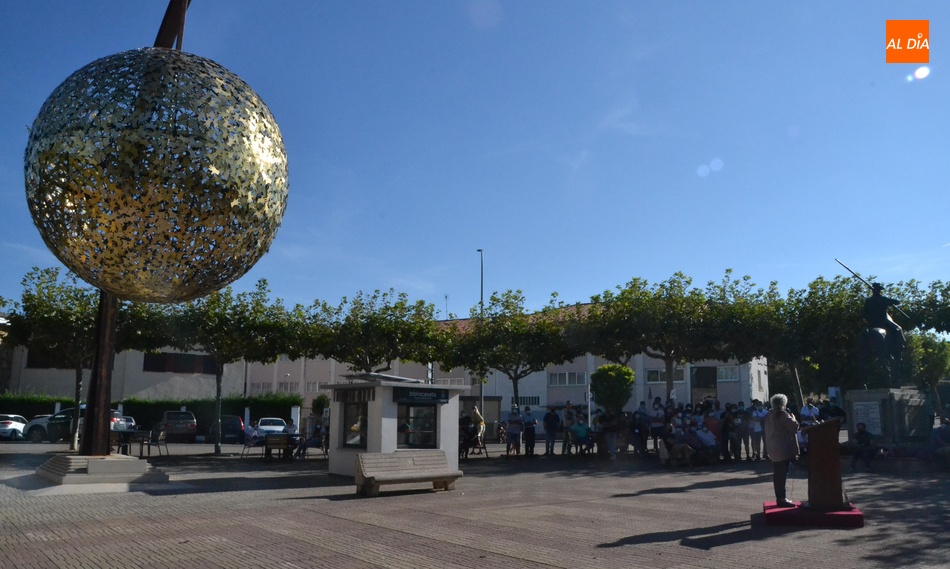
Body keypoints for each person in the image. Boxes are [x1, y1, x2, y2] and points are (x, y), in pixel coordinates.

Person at [764, 393, 800, 508]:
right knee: (781, 474)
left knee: (778, 474)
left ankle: (780, 497)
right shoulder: (782, 414)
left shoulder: (769, 414)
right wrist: (794, 418)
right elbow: (794, 427)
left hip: (773, 447)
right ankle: (782, 499)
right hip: (782, 448)